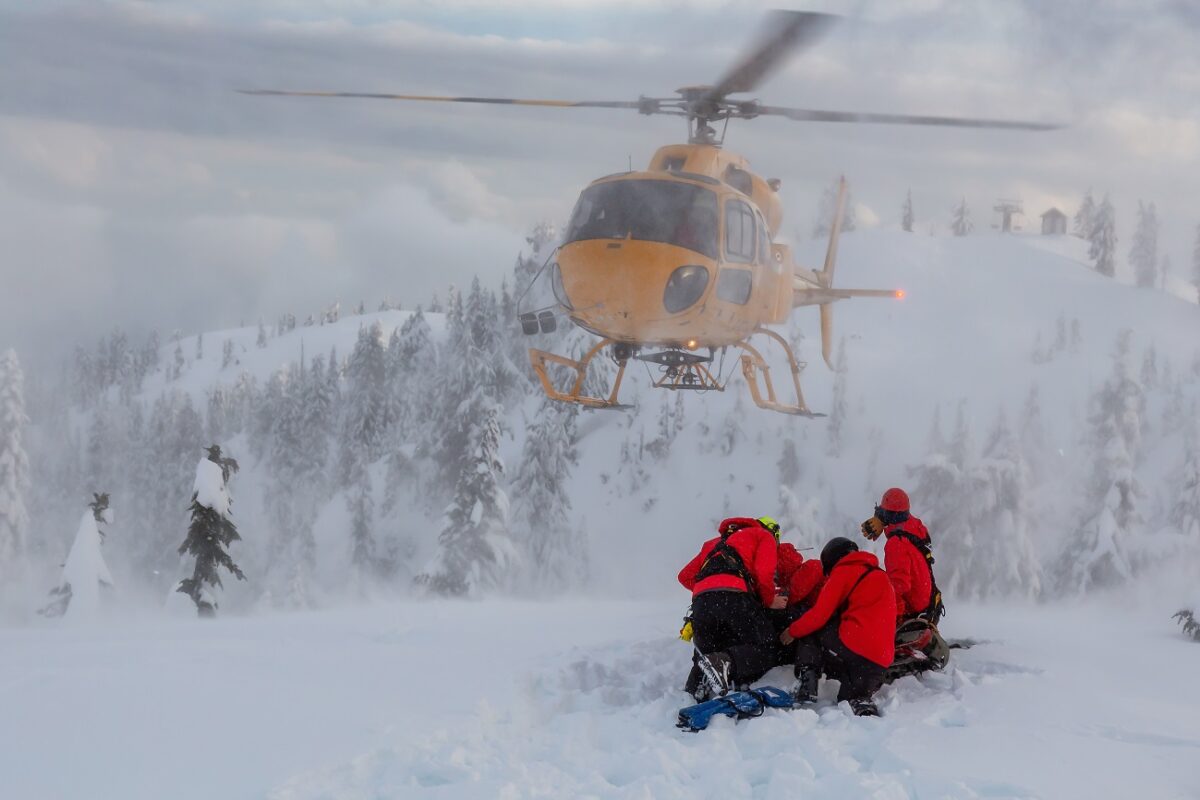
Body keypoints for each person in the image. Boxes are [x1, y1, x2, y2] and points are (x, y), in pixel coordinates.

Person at [780, 537, 896, 716]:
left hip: (857, 646)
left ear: (832, 560)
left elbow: (818, 616)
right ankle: (860, 699)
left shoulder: (844, 570)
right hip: (879, 662)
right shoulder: (881, 575)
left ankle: (808, 682)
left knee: (810, 628)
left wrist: (792, 631)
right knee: (848, 699)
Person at [678, 516, 780, 699]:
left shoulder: (712, 544)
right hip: (735, 596)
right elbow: (764, 575)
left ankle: (691, 696)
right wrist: (769, 601)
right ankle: (724, 663)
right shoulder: (762, 535)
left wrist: (710, 587)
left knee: (706, 654)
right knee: (766, 647)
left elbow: (685, 576)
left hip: (701, 602)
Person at [860, 488, 943, 624]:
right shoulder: (915, 526)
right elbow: (896, 516)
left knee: (875, 584)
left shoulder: (896, 543)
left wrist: (884, 611)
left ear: (887, 515)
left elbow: (899, 585)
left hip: (913, 609)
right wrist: (881, 518)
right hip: (929, 603)